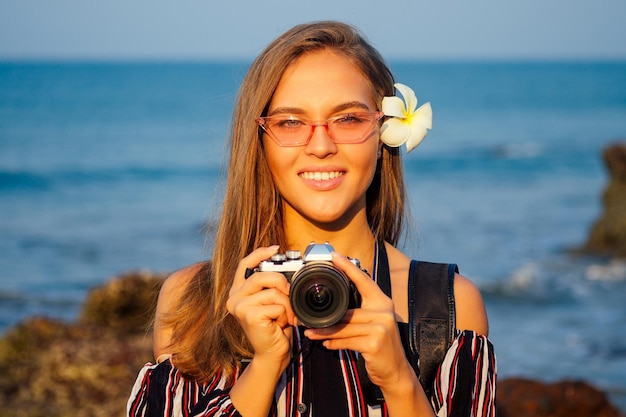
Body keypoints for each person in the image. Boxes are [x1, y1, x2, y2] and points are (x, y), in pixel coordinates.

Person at [127, 21, 496, 417]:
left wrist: (397, 377)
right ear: (260, 141)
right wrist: (266, 366)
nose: (321, 146)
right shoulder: (194, 302)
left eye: (348, 119)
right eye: (290, 123)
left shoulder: (446, 307)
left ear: (383, 131)